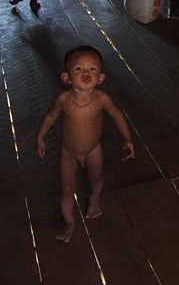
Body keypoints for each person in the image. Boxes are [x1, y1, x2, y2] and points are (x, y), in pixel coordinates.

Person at [36, 45, 135, 243]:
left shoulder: (102, 99)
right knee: (66, 189)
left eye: (93, 69)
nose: (86, 74)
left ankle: (94, 200)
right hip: (68, 153)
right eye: (78, 69)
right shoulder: (64, 99)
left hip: (93, 150)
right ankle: (70, 222)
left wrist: (128, 138)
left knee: (96, 179)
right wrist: (40, 136)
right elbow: (50, 116)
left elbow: (117, 115)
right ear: (66, 77)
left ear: (101, 78)